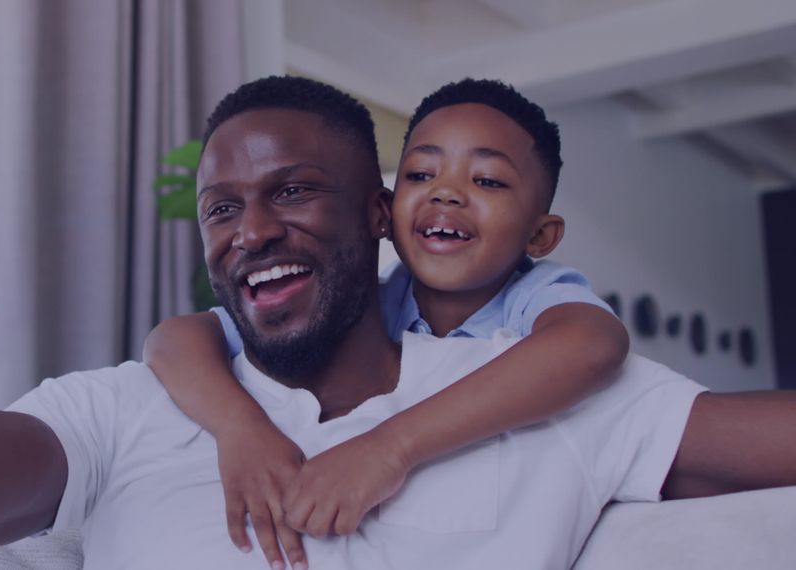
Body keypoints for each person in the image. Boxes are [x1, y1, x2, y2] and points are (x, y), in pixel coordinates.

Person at [0, 76, 793, 569]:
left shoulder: (526, 380)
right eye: (222, 209)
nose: (249, 231)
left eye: (294, 193)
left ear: (379, 214)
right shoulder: (135, 406)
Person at [143, 77, 629, 567]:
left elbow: (591, 345)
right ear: (386, 212)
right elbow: (175, 338)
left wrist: (390, 449)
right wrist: (240, 430)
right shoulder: (374, 304)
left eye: (486, 180)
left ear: (541, 236)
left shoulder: (532, 293)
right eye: (420, 176)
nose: (447, 194)